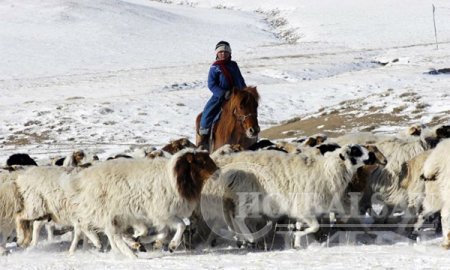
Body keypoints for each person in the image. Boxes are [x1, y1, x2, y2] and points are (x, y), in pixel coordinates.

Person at [198, 41, 247, 150]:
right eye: (221, 52)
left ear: (230, 53)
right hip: (220, 96)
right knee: (208, 112)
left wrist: (244, 91)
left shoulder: (234, 65)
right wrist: (223, 93)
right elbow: (211, 84)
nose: (223, 54)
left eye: (226, 52)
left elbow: (240, 79)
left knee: (248, 112)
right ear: (217, 54)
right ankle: (204, 137)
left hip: (237, 96)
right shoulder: (214, 68)